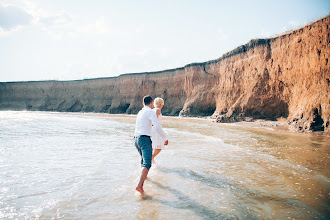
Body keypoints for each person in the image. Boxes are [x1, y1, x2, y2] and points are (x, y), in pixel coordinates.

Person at [134, 95, 168, 195]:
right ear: (151, 102)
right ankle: (140, 185)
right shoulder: (149, 112)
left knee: (143, 160)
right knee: (147, 163)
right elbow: (156, 125)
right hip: (144, 139)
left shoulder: (140, 112)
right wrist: (164, 138)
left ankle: (144, 177)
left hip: (136, 139)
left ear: (143, 103)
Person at [151, 97, 166, 164]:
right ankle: (151, 157)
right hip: (156, 129)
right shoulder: (157, 110)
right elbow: (155, 121)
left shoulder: (152, 110)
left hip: (152, 130)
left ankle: (152, 161)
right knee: (159, 146)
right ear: (161, 104)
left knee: (153, 145)